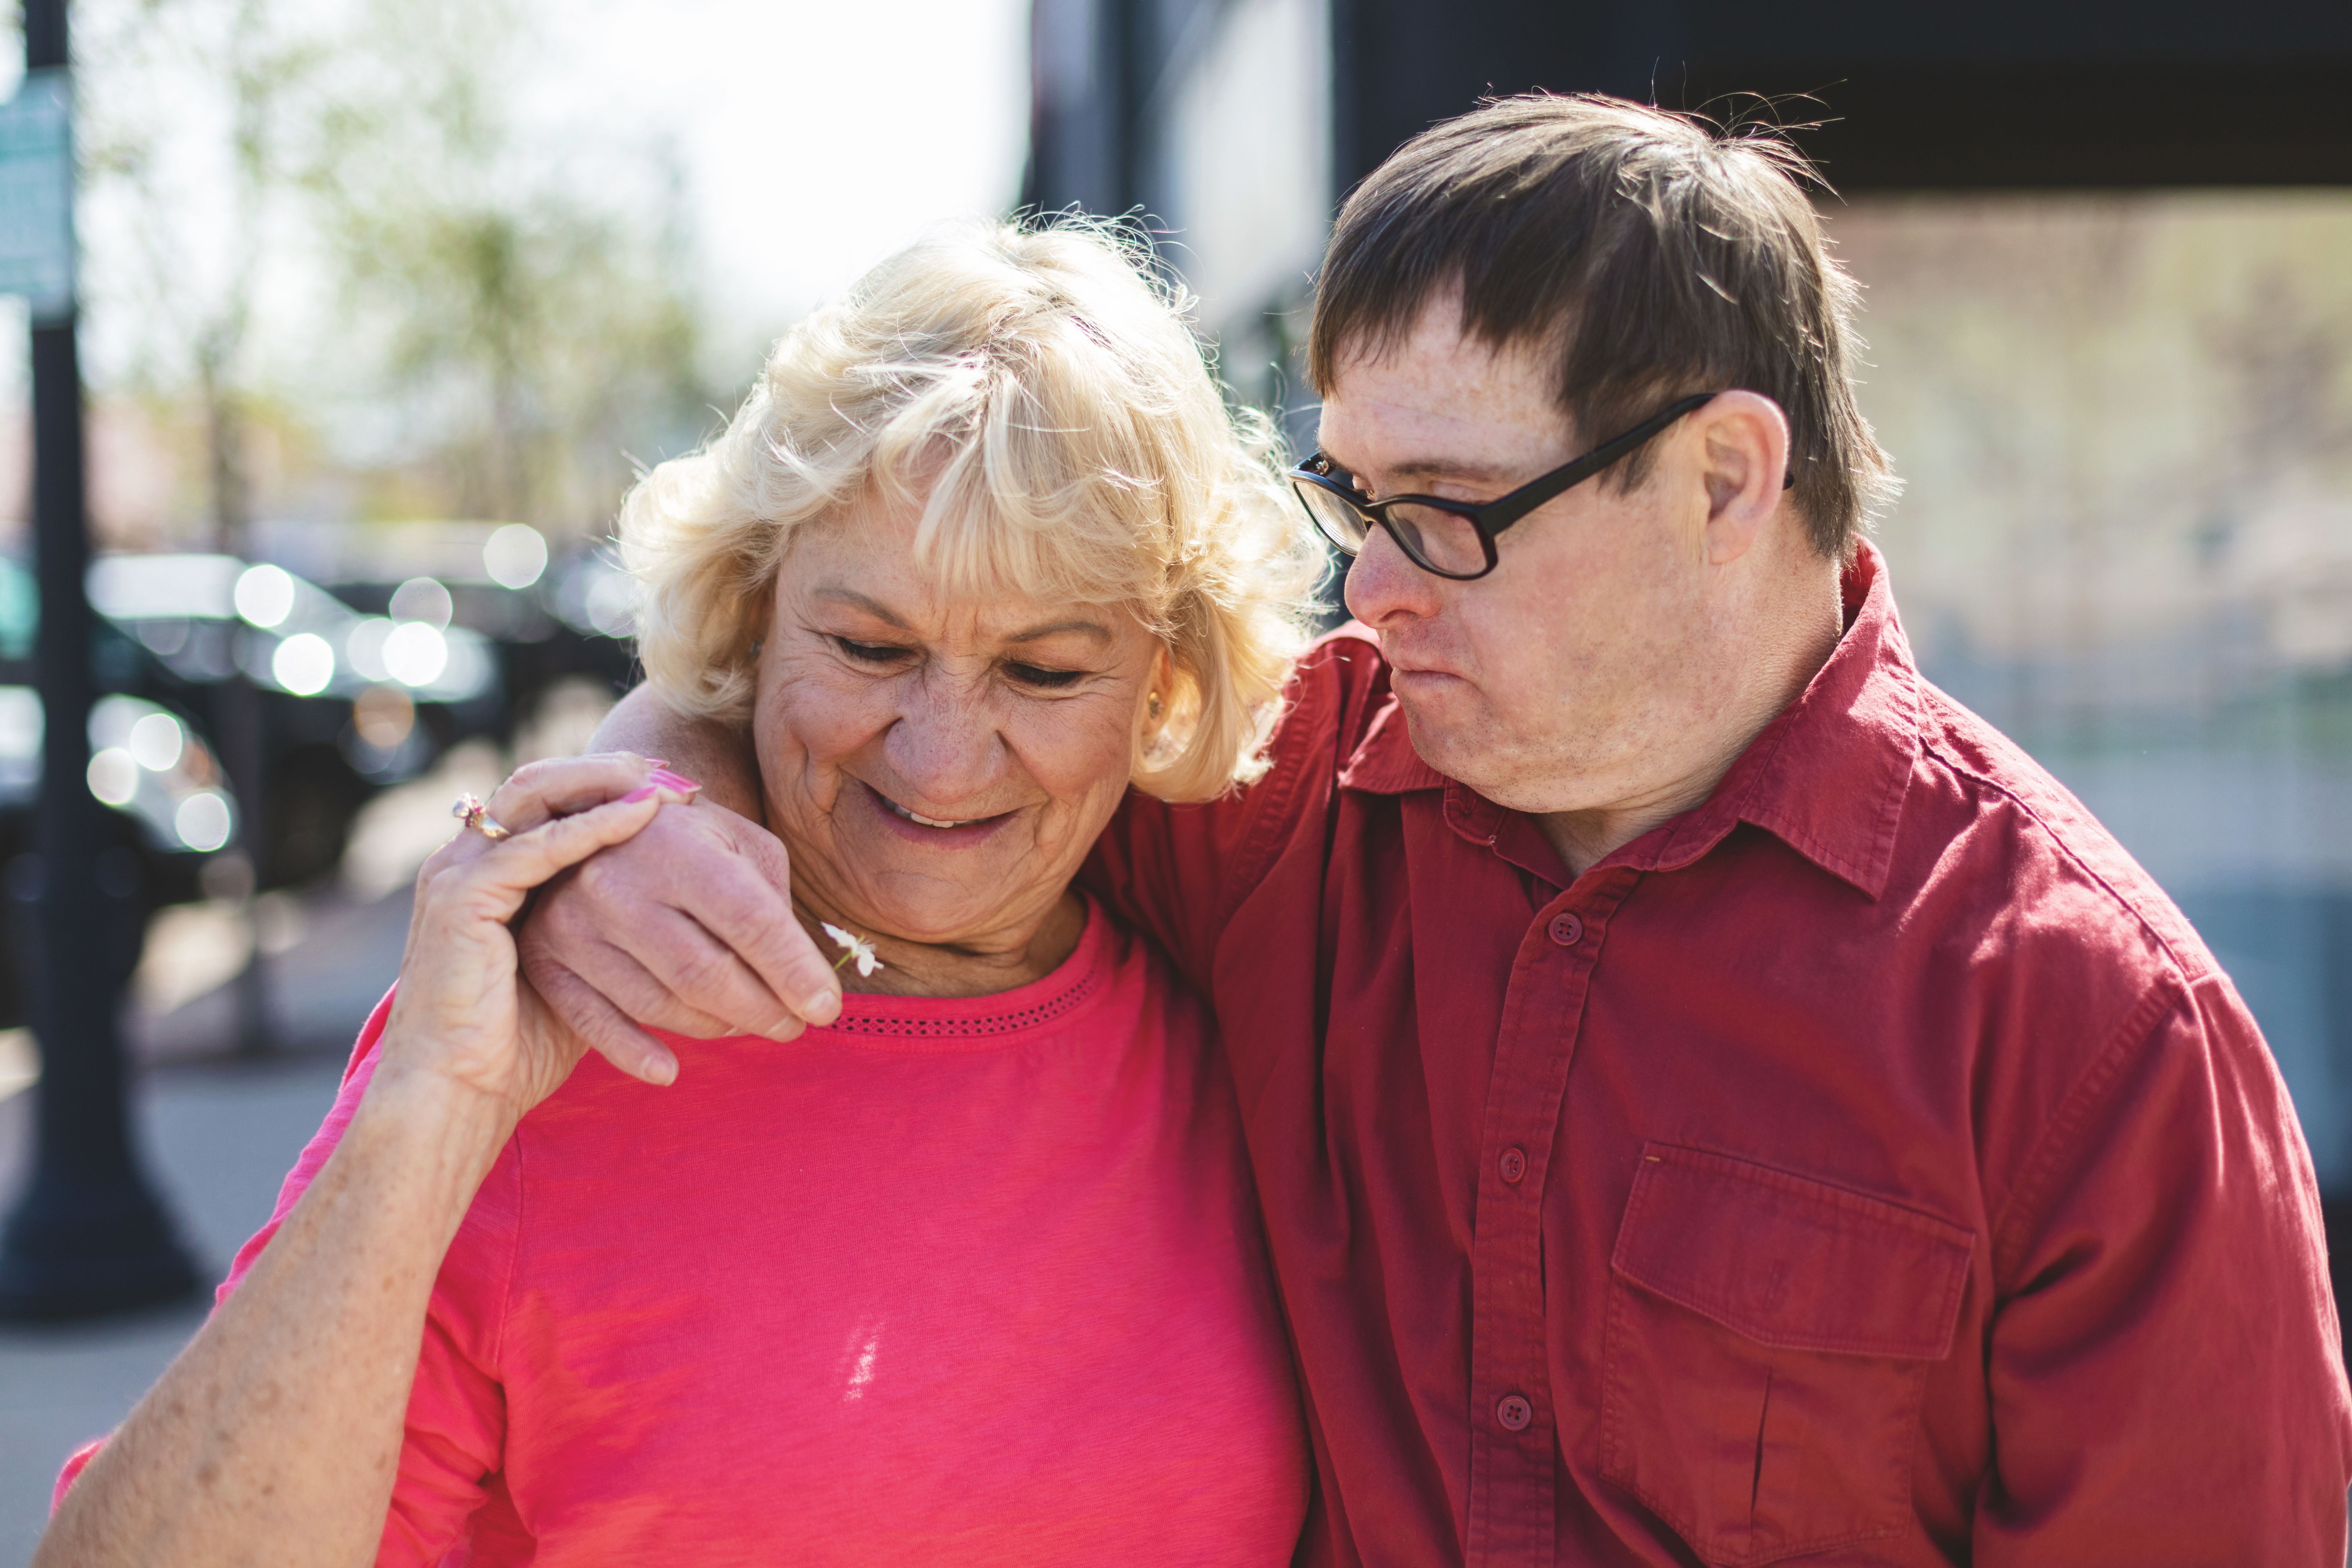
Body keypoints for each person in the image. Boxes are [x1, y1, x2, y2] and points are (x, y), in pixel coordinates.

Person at [526, 94, 2352, 1565]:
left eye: (1454, 510)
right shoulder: (1267, 800)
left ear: (1724, 479)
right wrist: (655, 796)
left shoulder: (2097, 1038)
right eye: (1357, 499)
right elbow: (885, 736)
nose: (1374, 589)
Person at [38, 222, 1319, 1566]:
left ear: (1167, 677)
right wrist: (427, 1121)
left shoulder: (1240, 1013)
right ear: (750, 615)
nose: (942, 757)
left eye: (1045, 673)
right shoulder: (566, 1020)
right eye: (869, 646)